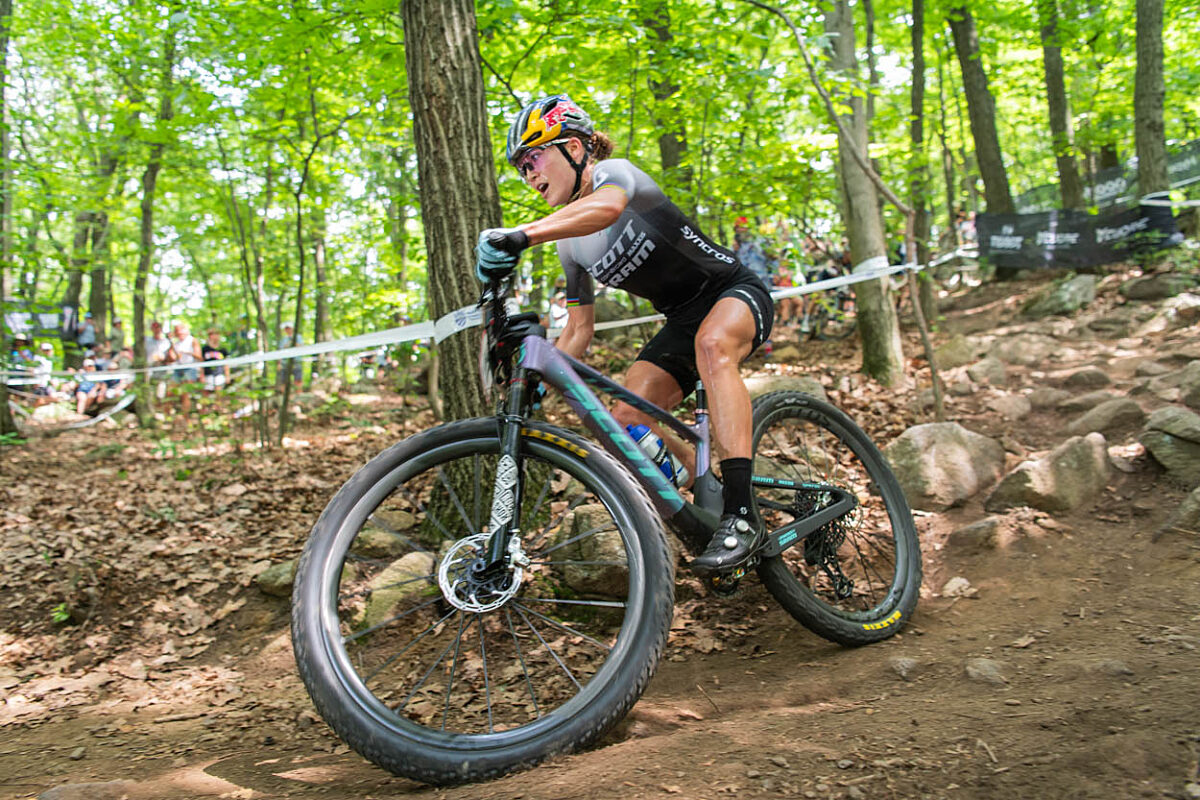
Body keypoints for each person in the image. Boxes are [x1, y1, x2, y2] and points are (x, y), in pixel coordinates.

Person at [476, 94, 775, 575]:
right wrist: (537, 382)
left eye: (533, 159)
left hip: (732, 292)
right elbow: (579, 328)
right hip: (681, 321)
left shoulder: (616, 174)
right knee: (623, 419)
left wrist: (521, 235)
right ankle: (707, 487)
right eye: (521, 169)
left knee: (713, 346)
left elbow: (609, 207)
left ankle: (742, 514)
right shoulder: (569, 245)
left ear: (574, 148)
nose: (528, 175)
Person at [201, 328, 230, 392]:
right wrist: (202, 375)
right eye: (212, 334)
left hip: (219, 374)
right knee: (206, 392)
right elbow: (201, 363)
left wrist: (227, 376)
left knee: (218, 392)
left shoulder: (223, 349)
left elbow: (226, 364)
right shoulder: (205, 349)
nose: (215, 336)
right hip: (207, 374)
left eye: (216, 334)